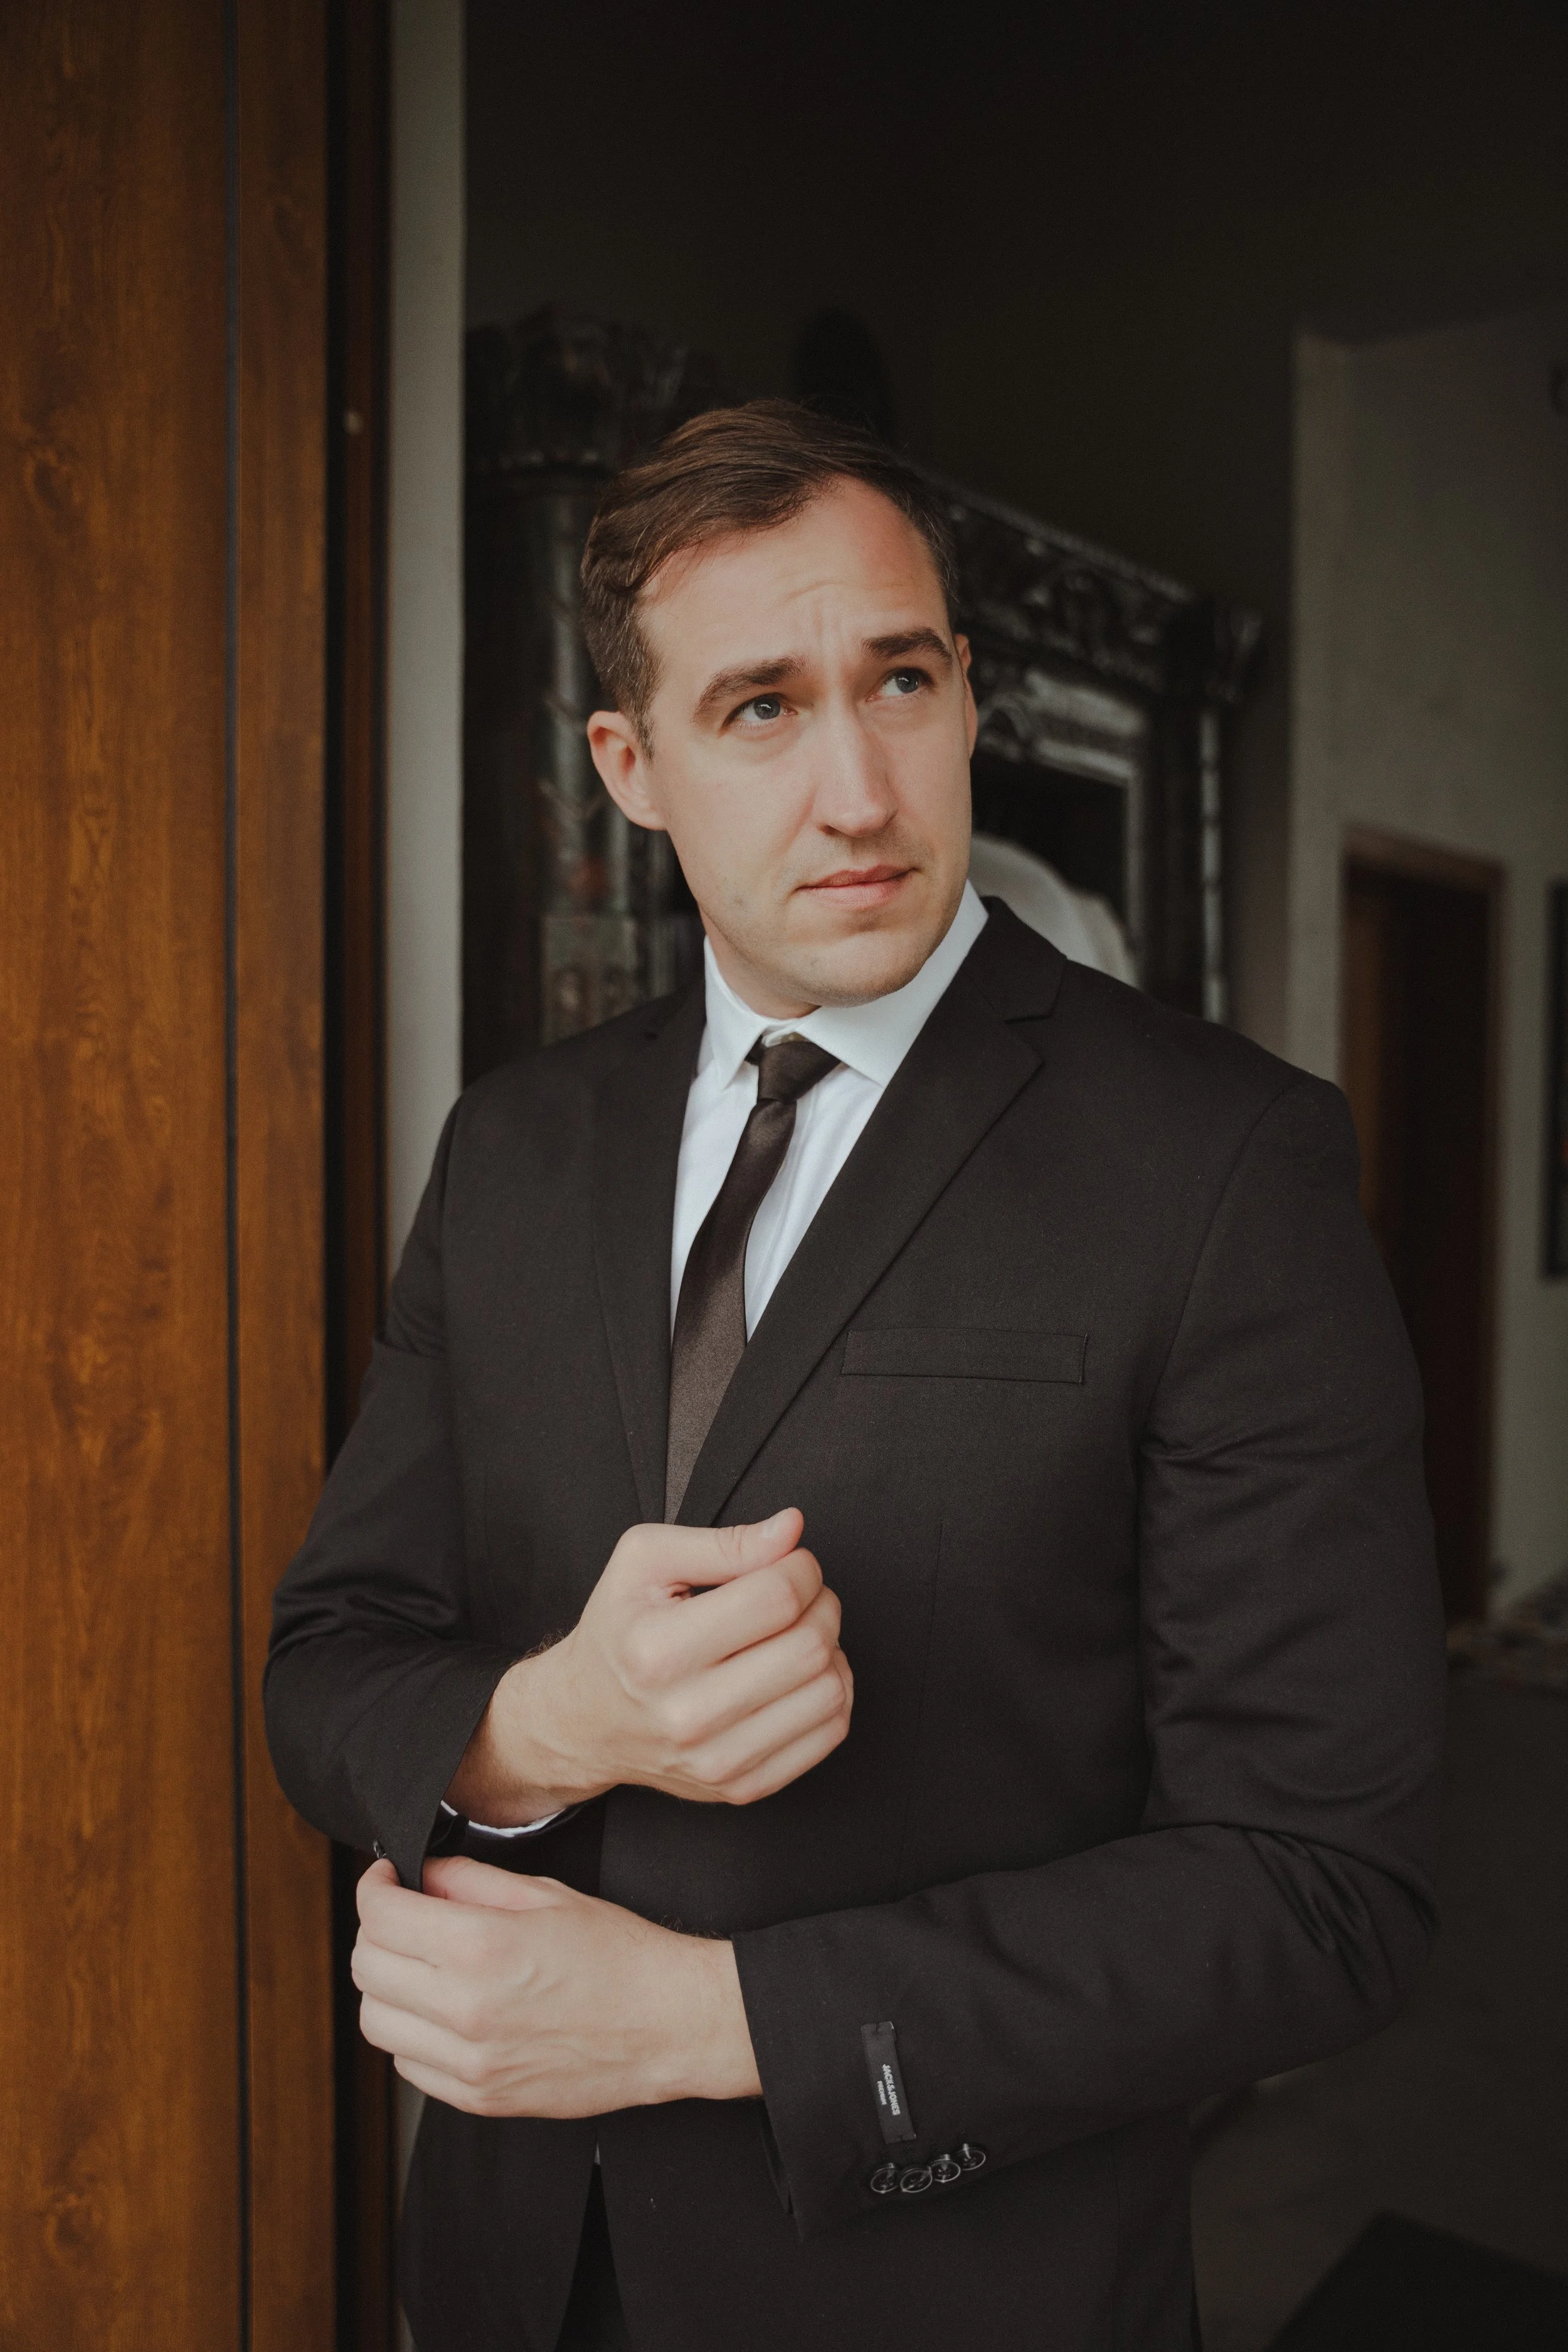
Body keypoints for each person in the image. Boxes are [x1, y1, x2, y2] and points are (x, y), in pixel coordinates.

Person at [265, 400, 1445, 2352]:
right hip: (501, 2280)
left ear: (966, 692)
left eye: (896, 680)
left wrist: (705, 2019)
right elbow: (329, 1661)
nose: (856, 789)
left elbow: (1322, 1891)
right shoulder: (515, 1147)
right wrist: (550, 1720)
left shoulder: (1225, 1164)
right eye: (756, 710)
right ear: (627, 767)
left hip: (956, 2294)